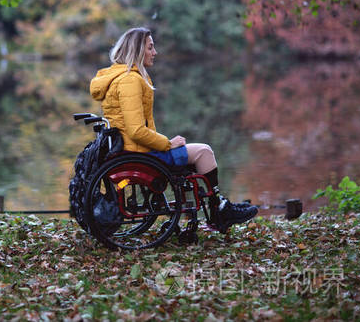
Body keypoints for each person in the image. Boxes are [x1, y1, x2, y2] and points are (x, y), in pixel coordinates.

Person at [89, 27, 258, 232]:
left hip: (133, 150)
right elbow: (136, 131)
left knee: (197, 152)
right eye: (150, 47)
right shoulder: (130, 80)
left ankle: (218, 206)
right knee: (204, 152)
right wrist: (168, 143)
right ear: (137, 50)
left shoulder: (119, 77)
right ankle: (219, 209)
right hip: (140, 155)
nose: (155, 52)